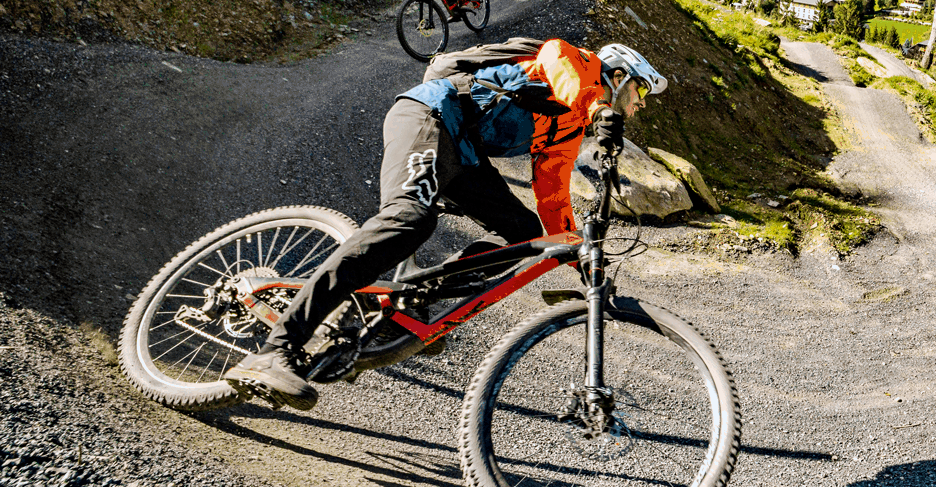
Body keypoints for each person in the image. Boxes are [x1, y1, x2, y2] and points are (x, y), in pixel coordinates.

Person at [225, 40, 668, 410]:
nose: (637, 107)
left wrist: (580, 258)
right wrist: (599, 108)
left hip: (465, 156)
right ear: (618, 75)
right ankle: (275, 351)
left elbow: (552, 195)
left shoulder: (568, 131)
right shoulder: (579, 64)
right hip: (431, 117)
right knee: (408, 221)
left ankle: (415, 301)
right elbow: (559, 61)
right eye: (638, 95)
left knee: (530, 236)